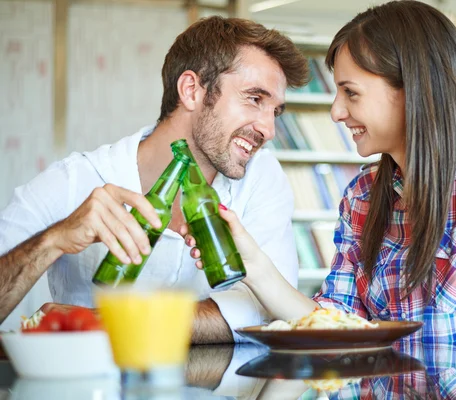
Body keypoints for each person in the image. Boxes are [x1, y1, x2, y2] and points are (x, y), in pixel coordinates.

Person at [188, 0, 456, 346]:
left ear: (411, 88)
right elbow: (337, 328)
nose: (336, 111)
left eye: (351, 93)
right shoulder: (363, 194)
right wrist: (252, 263)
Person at [0, 15, 309, 343]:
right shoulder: (75, 180)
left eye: (275, 111)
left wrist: (110, 322)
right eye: (254, 99)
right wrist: (53, 240)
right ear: (191, 90)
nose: (269, 130)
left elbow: (271, 311)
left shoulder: (262, 177)